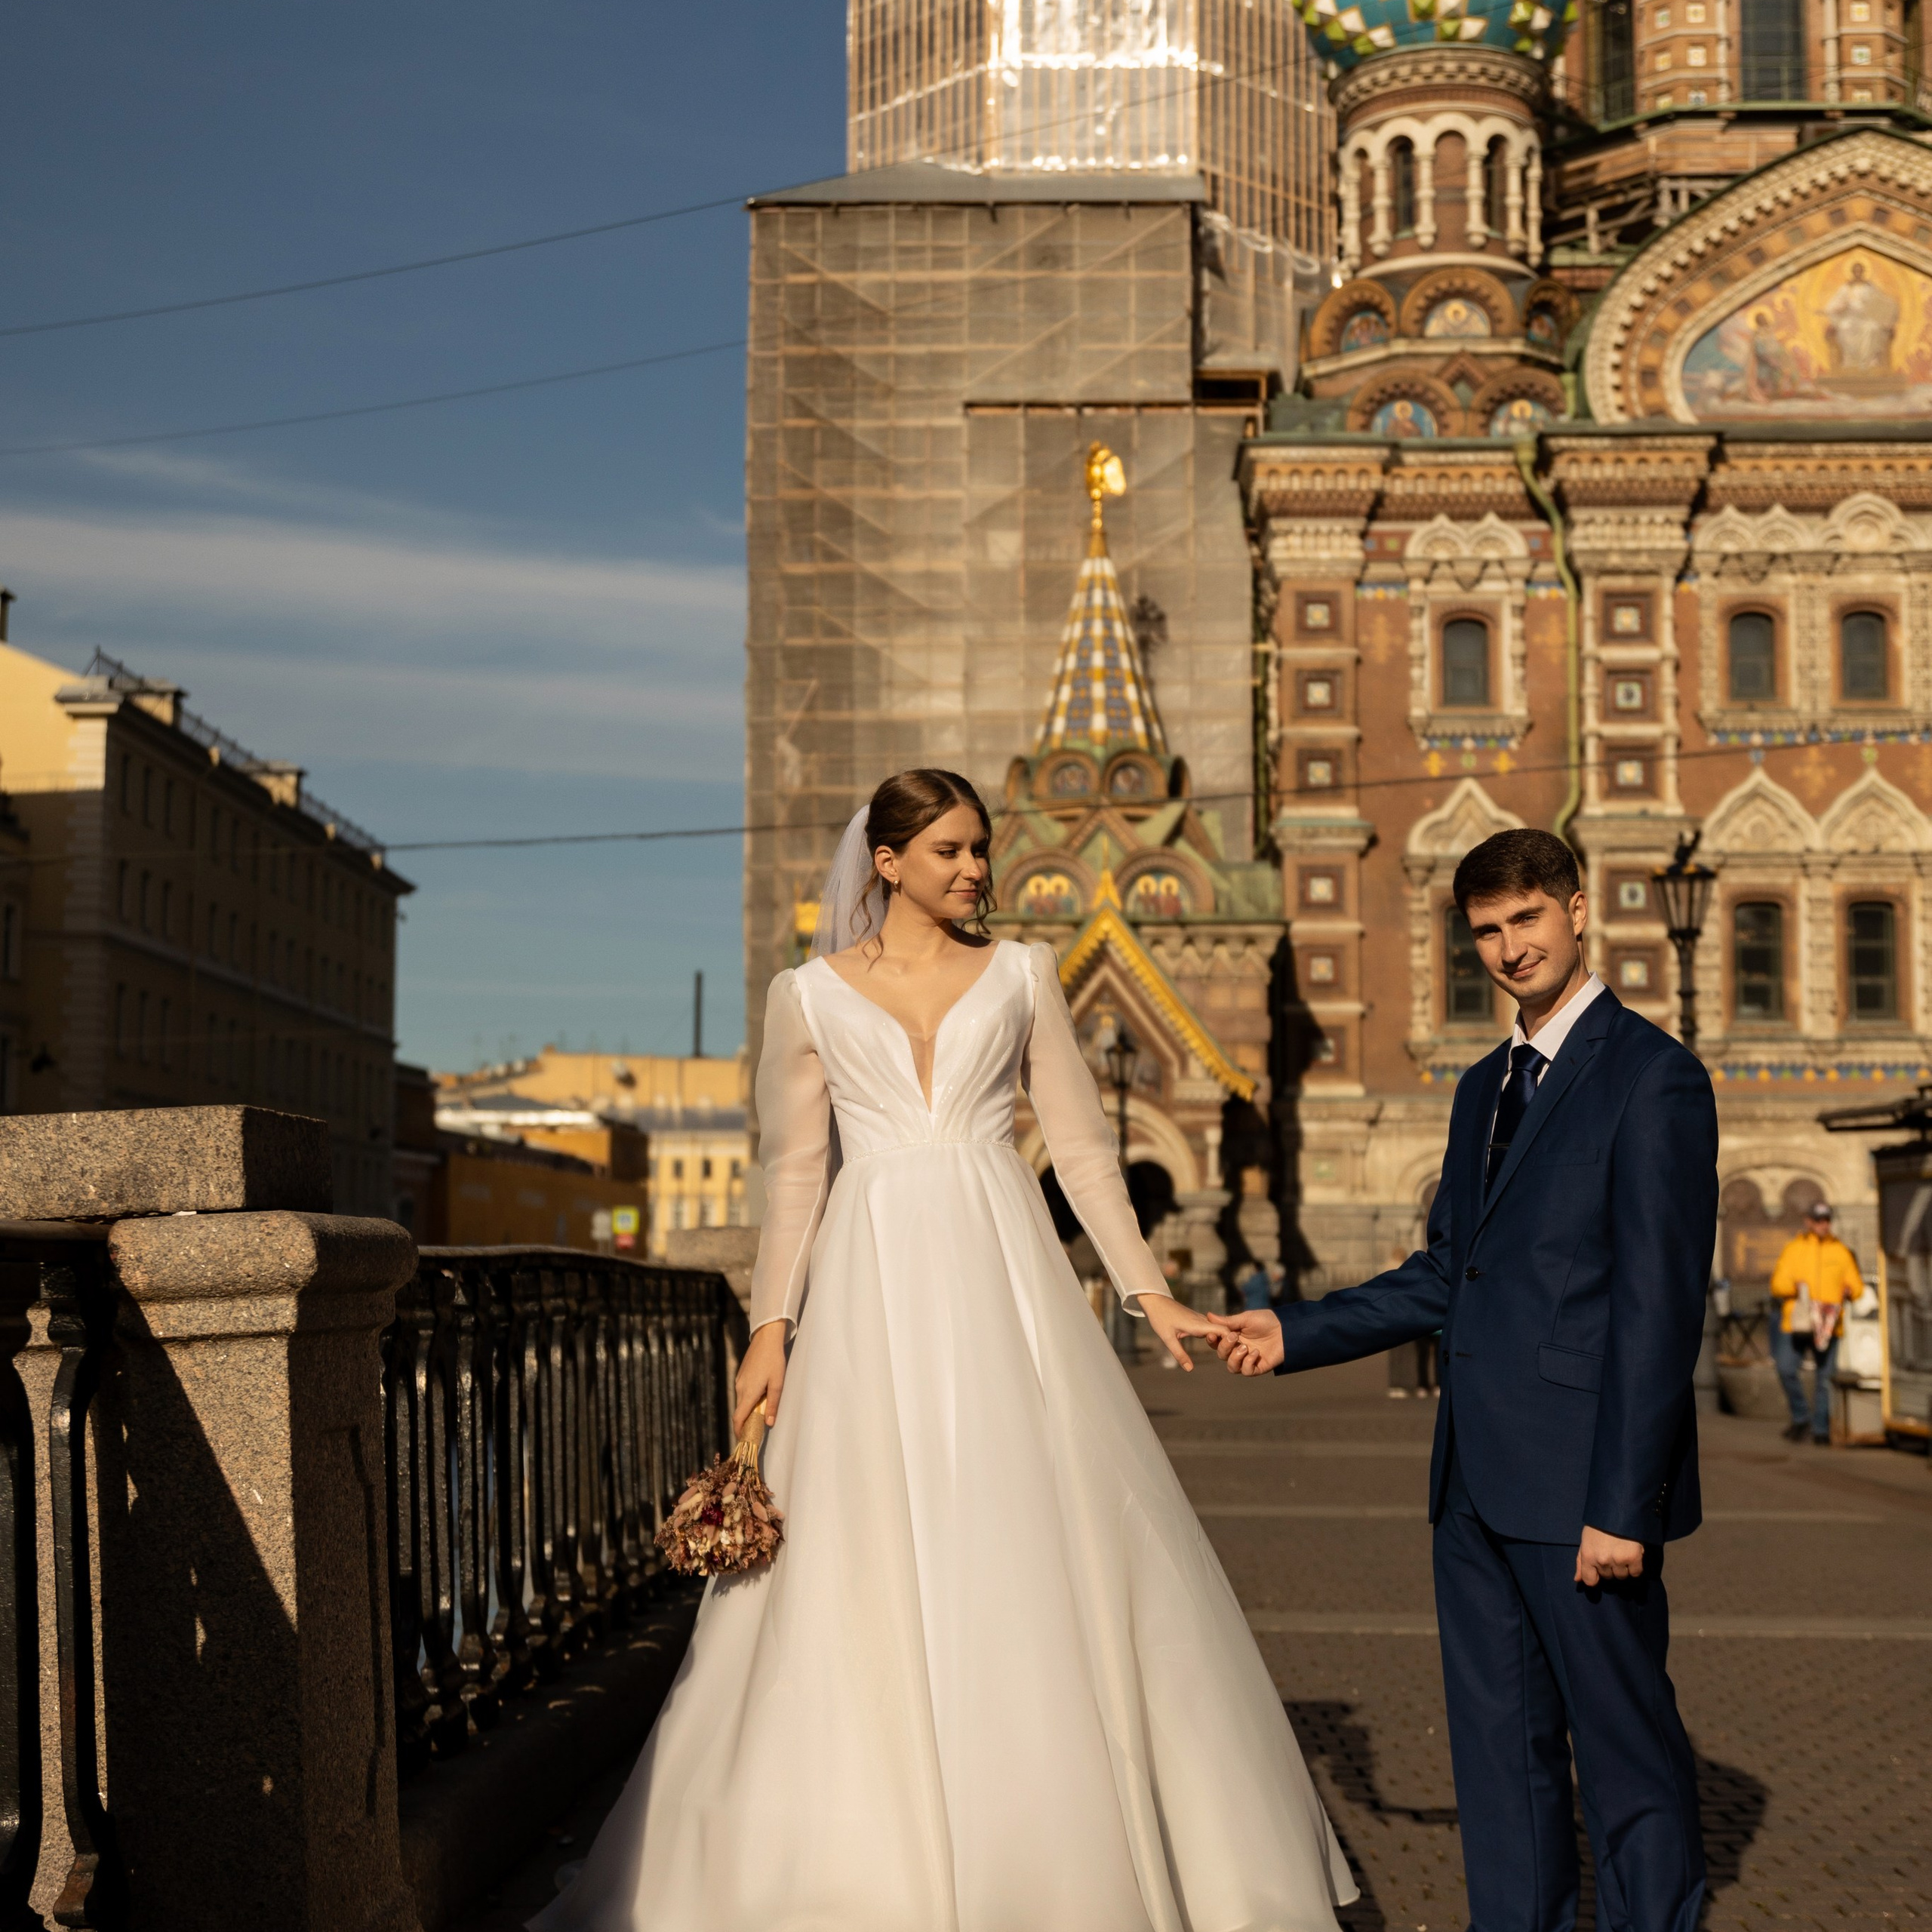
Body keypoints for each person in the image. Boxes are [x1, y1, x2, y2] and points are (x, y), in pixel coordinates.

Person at [532, 769, 1354, 1932]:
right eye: (955, 851)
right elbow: (796, 1174)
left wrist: (1148, 1294)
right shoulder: (805, 996)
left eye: (983, 850)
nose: (978, 870)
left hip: (999, 1276)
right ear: (888, 862)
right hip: (868, 1289)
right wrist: (771, 1327)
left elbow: (1079, 1150)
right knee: (861, 1546)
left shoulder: (1021, 976)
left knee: (1023, 1532)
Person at [1211, 828, 1718, 1932]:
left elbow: (1658, 1309)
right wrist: (1294, 1332)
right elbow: (1453, 1270)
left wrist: (1623, 1508)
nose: (1507, 948)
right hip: (1474, 1486)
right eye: (1486, 930)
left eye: (1526, 920)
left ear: (1578, 912)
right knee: (1500, 1763)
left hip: (1586, 1490)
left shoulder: (1656, 1078)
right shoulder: (1485, 1084)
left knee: (1626, 1757)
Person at [1767, 1202, 1863, 1444]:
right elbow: (1777, 1284)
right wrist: (1796, 1287)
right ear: (1808, 1221)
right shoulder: (1794, 1249)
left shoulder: (1841, 1251)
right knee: (1786, 1369)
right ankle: (1801, 1417)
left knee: (1826, 1378)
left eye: (1827, 1220)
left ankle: (1821, 1429)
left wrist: (1852, 1290)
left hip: (1830, 1325)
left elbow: (1858, 1286)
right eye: (1819, 1220)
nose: (1824, 1225)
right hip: (1797, 1323)